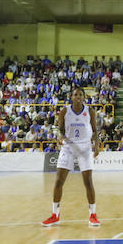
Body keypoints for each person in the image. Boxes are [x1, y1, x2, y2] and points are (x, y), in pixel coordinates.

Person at [41, 87, 101, 227]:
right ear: (71, 97)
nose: (78, 97)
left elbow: (94, 130)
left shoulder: (89, 111)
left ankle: (93, 214)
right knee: (58, 181)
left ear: (84, 97)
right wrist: (60, 136)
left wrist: (97, 146)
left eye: (80, 94)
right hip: (68, 147)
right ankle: (55, 215)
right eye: (75, 94)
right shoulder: (64, 111)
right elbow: (60, 128)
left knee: (88, 182)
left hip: (84, 148)